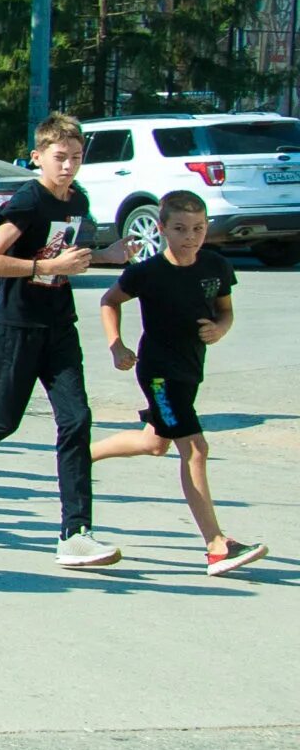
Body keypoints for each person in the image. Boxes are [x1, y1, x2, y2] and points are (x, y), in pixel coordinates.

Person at [0, 113, 123, 568]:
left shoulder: (78, 201)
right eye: (59, 157)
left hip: (59, 323)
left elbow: (63, 255)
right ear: (38, 157)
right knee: (4, 417)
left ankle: (75, 532)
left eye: (75, 157)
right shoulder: (27, 201)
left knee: (76, 420)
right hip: (17, 324)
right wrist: (47, 269)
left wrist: (105, 256)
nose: (68, 166)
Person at [92, 193, 264, 575]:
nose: (191, 237)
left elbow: (225, 311)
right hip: (157, 372)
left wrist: (219, 329)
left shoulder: (216, 266)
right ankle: (217, 546)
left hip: (190, 369)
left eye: (199, 228)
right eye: (181, 229)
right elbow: (109, 300)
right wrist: (115, 344)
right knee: (196, 448)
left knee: (153, 443)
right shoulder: (147, 272)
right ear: (162, 229)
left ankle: (77, 458)